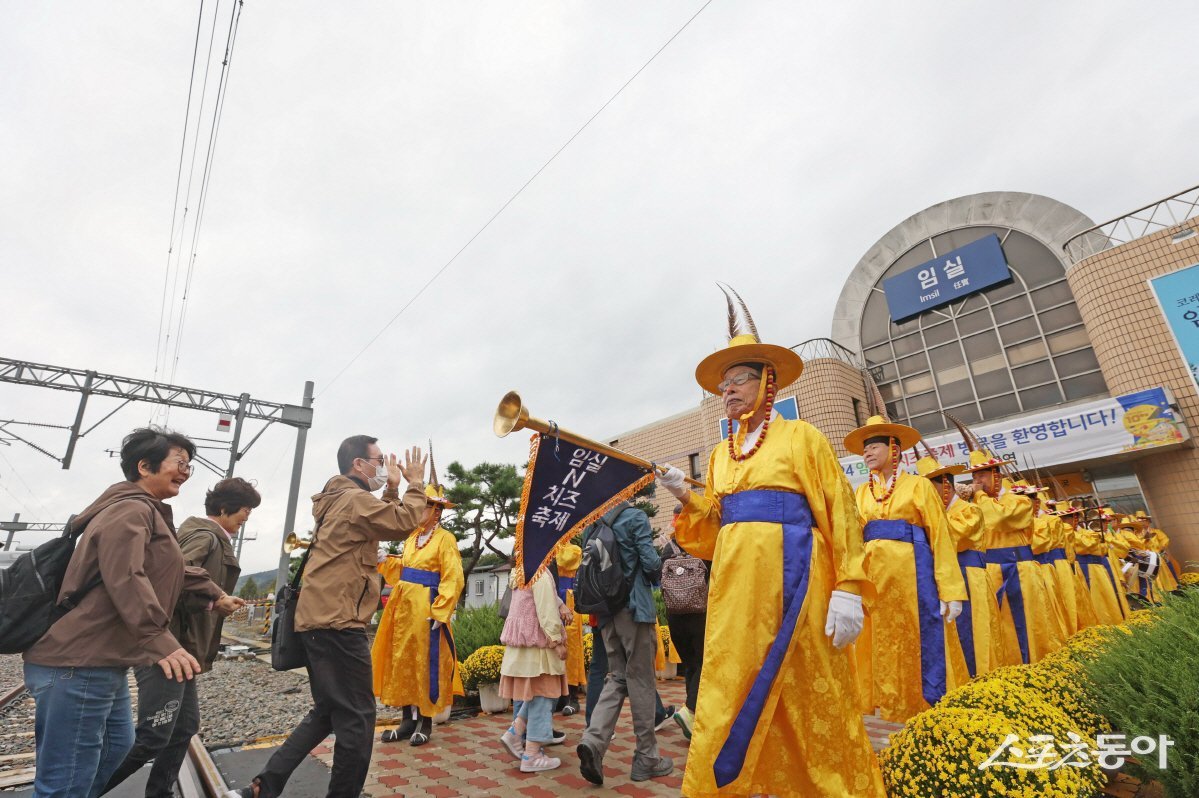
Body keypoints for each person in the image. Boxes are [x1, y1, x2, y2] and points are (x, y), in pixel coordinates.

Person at [656, 289, 885, 798]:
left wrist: (849, 585)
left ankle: (830, 787)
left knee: (808, 686)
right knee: (729, 684)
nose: (728, 390)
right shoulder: (718, 455)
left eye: (739, 379)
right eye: (723, 383)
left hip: (799, 579)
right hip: (735, 590)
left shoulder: (804, 437)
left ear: (768, 382)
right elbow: (712, 535)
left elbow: (840, 513)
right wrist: (685, 497)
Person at [23, 428, 242, 798]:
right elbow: (125, 574)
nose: (186, 472)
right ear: (144, 466)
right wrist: (159, 638)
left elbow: (168, 566)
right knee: (65, 782)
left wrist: (213, 594)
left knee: (114, 751)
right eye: (179, 463)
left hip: (101, 662)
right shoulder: (131, 509)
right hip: (79, 662)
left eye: (189, 465)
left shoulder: (144, 512)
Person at [228, 437, 427, 798]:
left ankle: (263, 786)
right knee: (358, 719)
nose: (384, 466)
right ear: (358, 465)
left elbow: (378, 521)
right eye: (378, 460)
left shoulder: (339, 498)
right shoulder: (353, 499)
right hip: (338, 624)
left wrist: (393, 489)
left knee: (327, 711)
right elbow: (403, 522)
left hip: (320, 620)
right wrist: (414, 484)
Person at [104, 477, 261, 797]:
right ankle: (82, 791)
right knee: (153, 735)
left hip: (181, 649)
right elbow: (169, 579)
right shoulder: (204, 536)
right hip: (168, 645)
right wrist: (213, 600)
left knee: (183, 728)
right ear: (223, 508)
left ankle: (159, 793)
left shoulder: (206, 536)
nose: (247, 517)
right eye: (245, 510)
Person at [844, 417, 969, 723]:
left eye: (874, 446)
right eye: (865, 448)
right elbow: (851, 537)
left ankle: (924, 704)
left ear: (894, 449)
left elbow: (940, 535)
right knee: (879, 640)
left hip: (914, 576)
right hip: (874, 578)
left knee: (917, 637)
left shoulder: (919, 486)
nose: (868, 453)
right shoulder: (861, 493)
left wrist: (950, 588)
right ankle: (888, 704)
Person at [576, 500, 674, 786]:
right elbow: (651, 564)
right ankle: (647, 757)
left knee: (616, 676)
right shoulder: (635, 517)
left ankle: (593, 742)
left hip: (606, 614)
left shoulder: (591, 526)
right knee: (641, 679)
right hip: (635, 610)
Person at [372, 453, 464, 746]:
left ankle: (425, 721)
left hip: (426, 606)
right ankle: (406, 720)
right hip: (402, 609)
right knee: (403, 661)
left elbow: (454, 577)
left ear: (435, 511)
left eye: (423, 506)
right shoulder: (412, 538)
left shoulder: (445, 539)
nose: (418, 511)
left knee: (426, 663)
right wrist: (387, 560)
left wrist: (441, 612)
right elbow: (405, 569)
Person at [914, 450, 1011, 678]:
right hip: (943, 578)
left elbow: (952, 538)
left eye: (930, 487)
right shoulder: (933, 515)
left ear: (945, 485)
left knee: (976, 636)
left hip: (970, 579)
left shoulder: (970, 510)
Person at [967, 450, 1062, 663]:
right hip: (991, 570)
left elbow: (998, 518)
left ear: (996, 476)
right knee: (1000, 622)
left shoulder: (1020, 501)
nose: (977, 481)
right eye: (974, 477)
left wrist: (979, 494)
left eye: (981, 475)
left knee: (1031, 618)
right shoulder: (976, 505)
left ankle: (1041, 663)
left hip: (1021, 569)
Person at [497, 568, 570, 772]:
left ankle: (515, 732)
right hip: (538, 651)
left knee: (536, 696)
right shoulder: (539, 573)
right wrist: (556, 641)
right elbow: (546, 611)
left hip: (524, 651)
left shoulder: (522, 570)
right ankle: (532, 754)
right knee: (543, 697)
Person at [658, 503, 707, 739]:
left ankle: (693, 722)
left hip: (675, 615)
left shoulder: (667, 549)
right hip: (700, 614)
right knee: (704, 663)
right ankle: (690, 711)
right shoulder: (704, 545)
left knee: (690, 665)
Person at [553, 542, 585, 716]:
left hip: (569, 604)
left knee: (571, 653)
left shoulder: (572, 550)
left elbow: (568, 559)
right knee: (553, 651)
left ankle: (572, 697)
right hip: (551, 602)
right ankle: (559, 696)